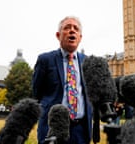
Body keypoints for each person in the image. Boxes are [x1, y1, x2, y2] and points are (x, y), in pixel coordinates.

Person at [32, 16, 93, 144]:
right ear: (58, 35)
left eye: (76, 28)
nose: (72, 30)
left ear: (80, 37)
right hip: (52, 130)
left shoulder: (88, 62)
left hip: (81, 131)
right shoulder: (45, 60)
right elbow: (36, 93)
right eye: (67, 27)